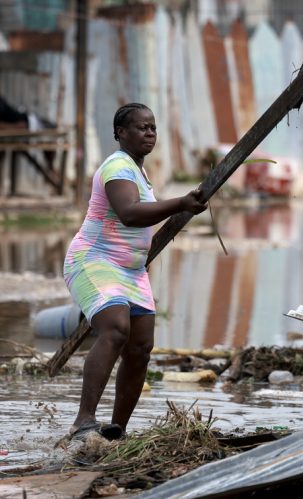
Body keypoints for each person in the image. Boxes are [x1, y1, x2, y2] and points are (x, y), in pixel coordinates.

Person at [63, 103, 208, 440]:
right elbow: (129, 213)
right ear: (120, 133)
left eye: (153, 128)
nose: (149, 133)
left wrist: (181, 204)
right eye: (141, 127)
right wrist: (182, 203)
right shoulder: (116, 167)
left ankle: (118, 430)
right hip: (94, 261)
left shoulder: (139, 172)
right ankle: (84, 420)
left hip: (130, 271)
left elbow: (141, 213)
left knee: (141, 347)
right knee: (115, 328)